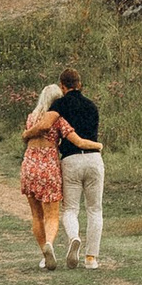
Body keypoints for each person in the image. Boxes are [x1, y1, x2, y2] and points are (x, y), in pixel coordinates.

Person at [47, 70, 106, 268]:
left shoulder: (60, 105)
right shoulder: (91, 106)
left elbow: (48, 125)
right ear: (79, 84)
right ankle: (91, 258)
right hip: (93, 159)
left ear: (62, 86)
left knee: (71, 209)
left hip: (71, 159)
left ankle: (74, 238)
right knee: (95, 209)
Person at [18, 80, 67, 266]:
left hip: (30, 165)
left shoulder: (31, 117)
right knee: (52, 215)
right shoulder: (57, 119)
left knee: (36, 215)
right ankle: (49, 244)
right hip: (49, 166)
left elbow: (28, 137)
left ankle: (43, 254)